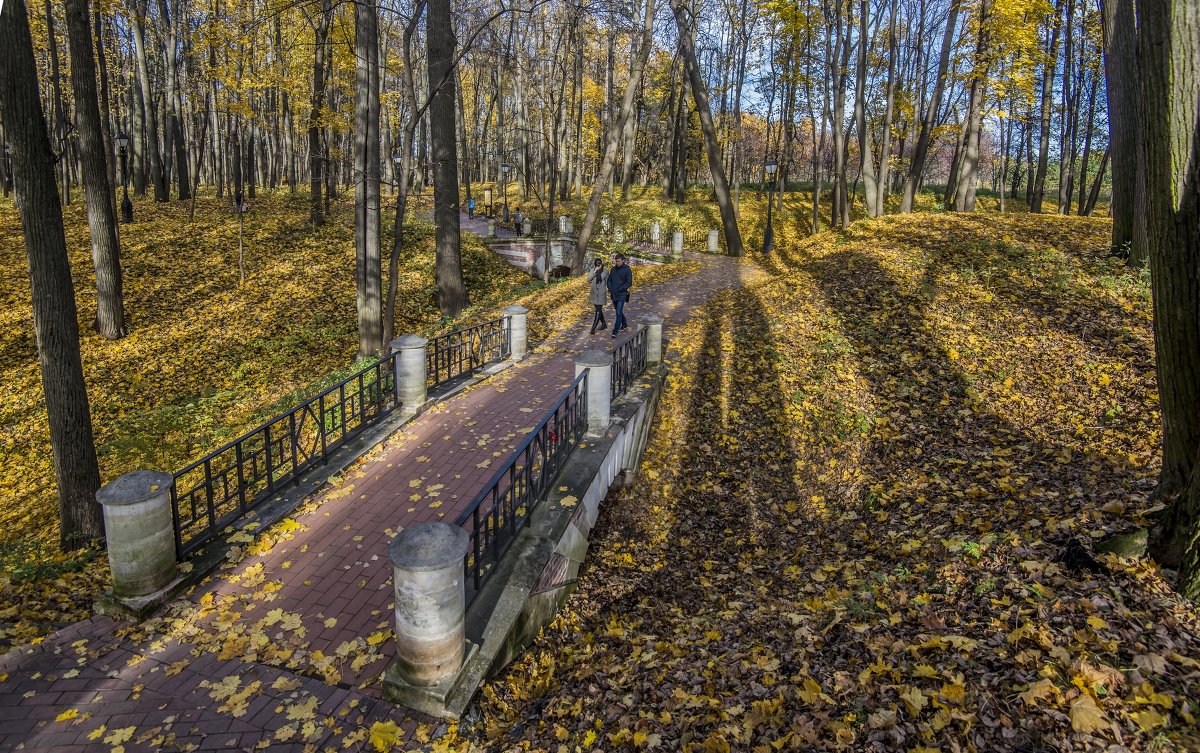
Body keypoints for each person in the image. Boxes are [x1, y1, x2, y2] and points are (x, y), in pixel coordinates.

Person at [606, 252, 632, 337]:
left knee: (618, 312)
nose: (617, 263)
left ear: (623, 260)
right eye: (616, 261)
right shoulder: (613, 269)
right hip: (613, 294)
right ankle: (624, 324)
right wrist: (610, 288)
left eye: (619, 261)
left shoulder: (627, 269)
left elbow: (629, 282)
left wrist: (620, 288)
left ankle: (615, 331)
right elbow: (609, 280)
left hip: (622, 294)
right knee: (619, 311)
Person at [589, 258, 608, 334]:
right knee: (598, 310)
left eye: (599, 264)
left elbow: (608, 282)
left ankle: (593, 328)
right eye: (596, 264)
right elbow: (588, 280)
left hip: (601, 294)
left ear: (601, 264)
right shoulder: (592, 270)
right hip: (594, 293)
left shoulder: (605, 272)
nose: (598, 265)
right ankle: (604, 324)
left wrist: (611, 291)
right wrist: (594, 272)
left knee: (598, 310)